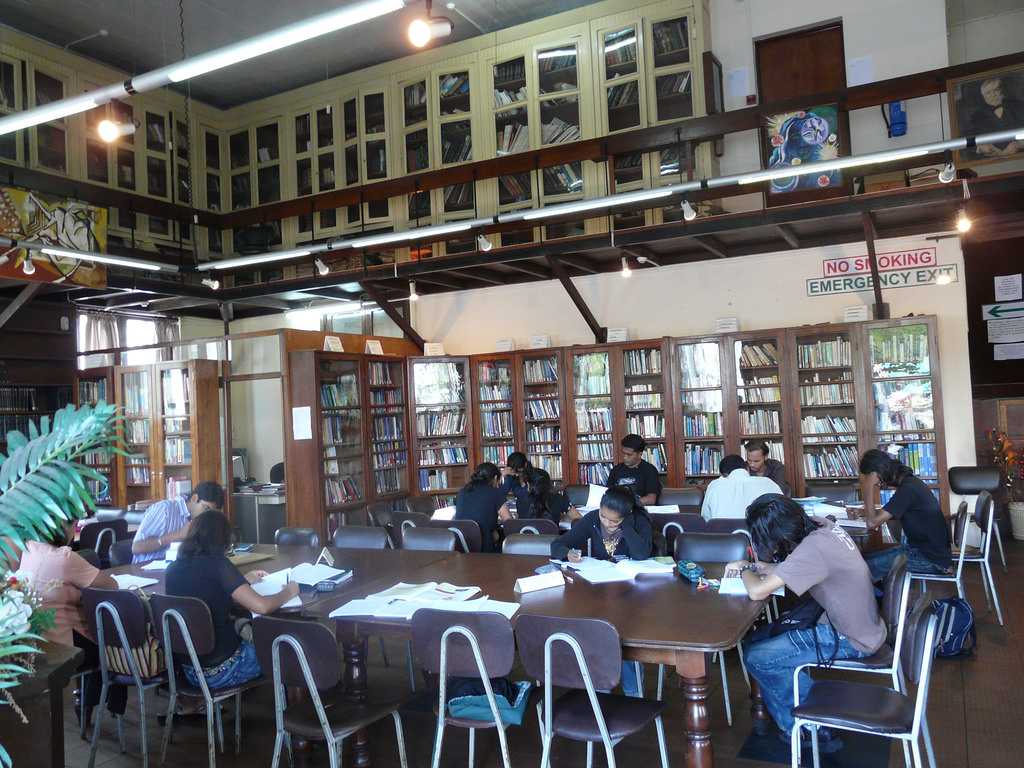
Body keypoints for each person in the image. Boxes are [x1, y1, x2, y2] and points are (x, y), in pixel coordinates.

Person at [732, 494, 886, 753]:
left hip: (849, 638)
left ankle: (808, 725)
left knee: (757, 656)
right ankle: (805, 712)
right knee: (759, 640)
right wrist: (762, 568)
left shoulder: (812, 550)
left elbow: (757, 592)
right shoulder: (822, 527)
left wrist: (744, 567)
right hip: (862, 624)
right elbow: (790, 567)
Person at [165, 510, 298, 690]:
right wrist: (289, 591)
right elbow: (262, 606)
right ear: (222, 539)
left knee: (243, 624)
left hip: (189, 671)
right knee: (287, 646)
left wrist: (240, 580)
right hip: (225, 670)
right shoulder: (218, 564)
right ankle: (296, 708)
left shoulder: (173, 568)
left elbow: (207, 590)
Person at [16, 518, 125, 725]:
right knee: (113, 644)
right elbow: (111, 584)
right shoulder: (65, 558)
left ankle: (89, 704)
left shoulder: (29, 548)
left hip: (36, 639)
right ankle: (99, 705)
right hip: (65, 647)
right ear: (63, 527)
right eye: (73, 525)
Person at [550, 487, 653, 697]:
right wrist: (567, 553)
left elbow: (642, 554)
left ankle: (633, 692)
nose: (606, 523)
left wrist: (626, 526)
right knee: (598, 634)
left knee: (624, 638)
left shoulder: (638, 521)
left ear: (626, 516)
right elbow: (558, 544)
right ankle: (600, 687)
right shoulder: (592, 520)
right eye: (603, 516)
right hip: (599, 590)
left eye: (614, 521)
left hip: (633, 594)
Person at [857, 449, 952, 582]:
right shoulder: (910, 484)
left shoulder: (908, 489)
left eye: (868, 476)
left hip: (930, 560)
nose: (877, 484)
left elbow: (872, 523)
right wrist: (863, 512)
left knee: (864, 567)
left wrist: (867, 487)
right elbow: (888, 514)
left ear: (876, 473)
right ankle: (878, 596)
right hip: (921, 551)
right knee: (864, 559)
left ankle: (875, 600)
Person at [131, 481, 226, 564]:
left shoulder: (202, 520)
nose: (207, 516)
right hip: (145, 571)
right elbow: (136, 548)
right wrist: (178, 535)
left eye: (211, 513)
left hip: (179, 569)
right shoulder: (165, 510)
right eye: (206, 508)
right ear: (194, 498)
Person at [701, 454, 782, 521]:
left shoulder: (715, 485)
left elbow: (706, 518)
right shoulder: (768, 483)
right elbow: (784, 513)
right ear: (747, 468)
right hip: (764, 538)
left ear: (723, 475)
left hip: (724, 537)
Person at [455, 462, 512, 553]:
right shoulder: (495, 492)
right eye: (498, 482)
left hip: (461, 544)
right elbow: (509, 522)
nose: (498, 485)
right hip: (484, 547)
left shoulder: (462, 491)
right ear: (495, 478)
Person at [606, 434, 662, 505]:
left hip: (639, 510)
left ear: (640, 454)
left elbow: (651, 499)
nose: (625, 457)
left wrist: (627, 504)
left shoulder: (650, 470)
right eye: (623, 453)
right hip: (617, 510)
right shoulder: (616, 470)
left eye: (629, 454)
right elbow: (608, 493)